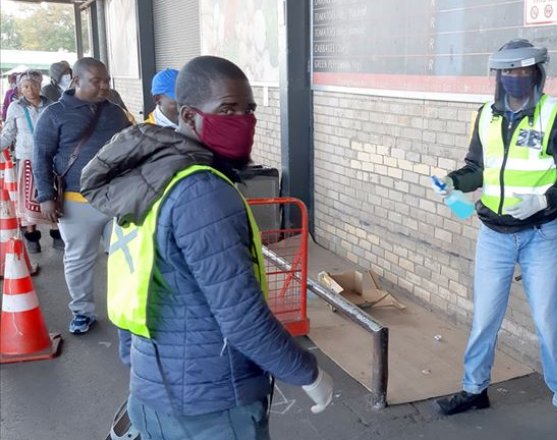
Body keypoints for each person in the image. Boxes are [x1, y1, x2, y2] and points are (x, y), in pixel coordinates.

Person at [80, 55, 331, 440]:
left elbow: (133, 281)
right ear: (188, 115)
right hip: (211, 407)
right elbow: (242, 316)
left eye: (249, 109)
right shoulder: (202, 191)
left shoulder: (150, 177)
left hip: (154, 389)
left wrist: (141, 364)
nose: (243, 120)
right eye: (227, 109)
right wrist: (307, 373)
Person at [431, 39, 557, 440]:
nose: (514, 78)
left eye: (522, 71)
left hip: (540, 235)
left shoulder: (555, 115)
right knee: (484, 319)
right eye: (507, 72)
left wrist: (543, 199)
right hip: (494, 236)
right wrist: (453, 181)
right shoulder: (486, 115)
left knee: (549, 325)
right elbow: (476, 168)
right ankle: (474, 390)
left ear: (537, 73)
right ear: (498, 76)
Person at [32, 57, 132, 334]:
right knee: (79, 260)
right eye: (96, 81)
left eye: (106, 81)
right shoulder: (54, 114)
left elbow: (131, 148)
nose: (104, 86)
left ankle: (124, 309)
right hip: (76, 202)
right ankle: (82, 312)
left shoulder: (116, 113)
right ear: (75, 81)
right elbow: (41, 157)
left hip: (116, 199)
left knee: (124, 257)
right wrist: (46, 196)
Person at [0, 70, 63, 253]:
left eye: (33, 85)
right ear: (20, 88)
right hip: (27, 159)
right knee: (28, 202)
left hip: (50, 158)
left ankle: (57, 234)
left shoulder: (52, 106)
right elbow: (9, 134)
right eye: (25, 86)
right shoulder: (15, 107)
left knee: (52, 197)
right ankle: (32, 237)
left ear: (40, 85)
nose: (30, 89)